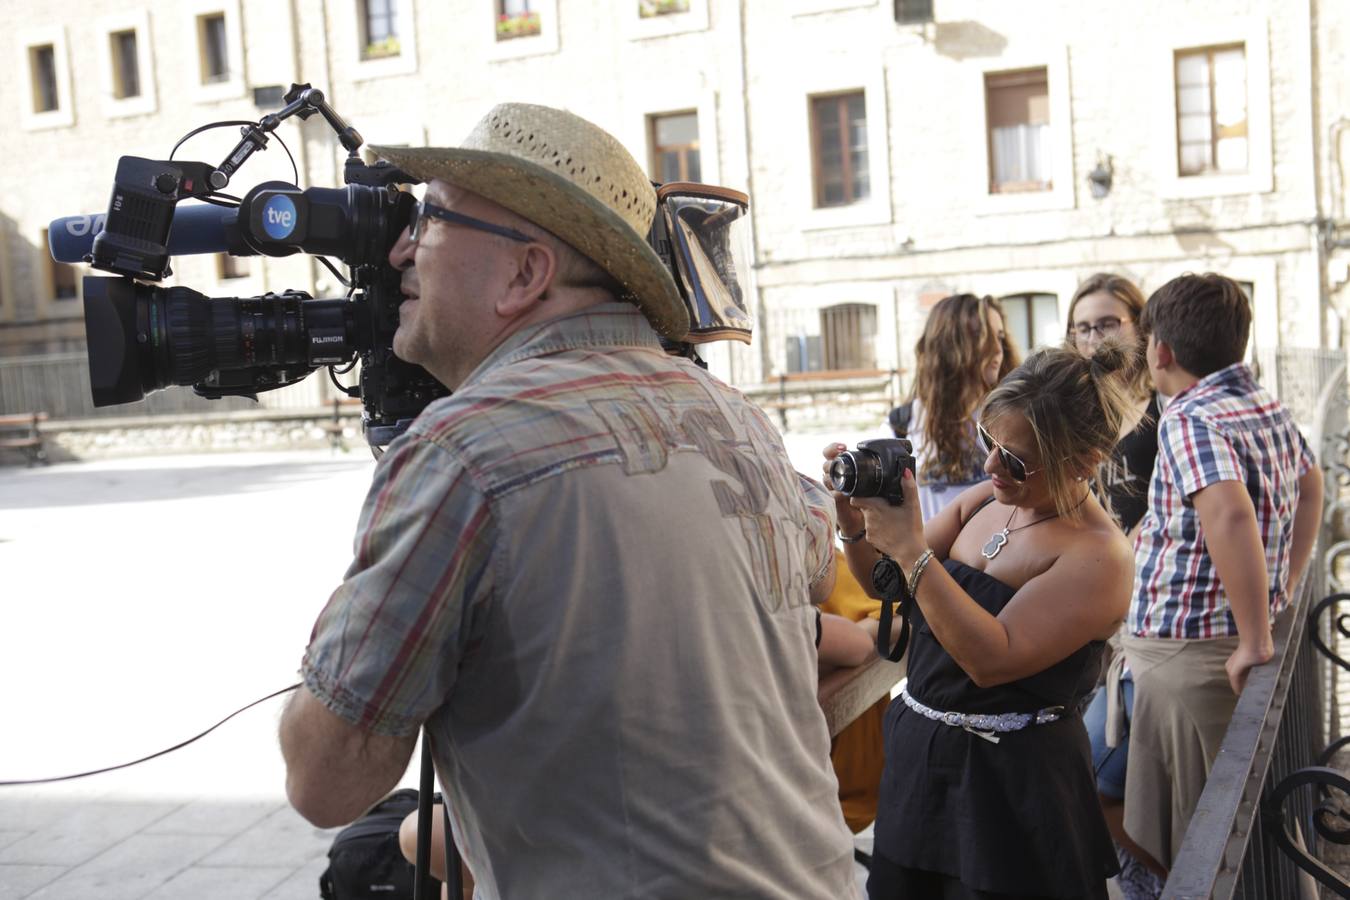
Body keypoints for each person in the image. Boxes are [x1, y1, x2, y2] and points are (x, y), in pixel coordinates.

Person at [277, 102, 861, 899]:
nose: (401, 247)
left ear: (526, 272)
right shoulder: (743, 423)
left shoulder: (464, 450)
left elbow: (325, 781)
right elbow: (811, 549)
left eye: (431, 218)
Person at [830, 343, 1140, 899]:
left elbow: (991, 658)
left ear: (1086, 461)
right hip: (922, 765)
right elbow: (891, 581)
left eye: (1016, 459)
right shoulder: (985, 500)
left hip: (1011, 790)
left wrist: (912, 551)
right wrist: (855, 524)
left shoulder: (1100, 556)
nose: (993, 465)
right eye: (988, 441)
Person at [1121, 273, 1324, 876]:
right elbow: (1311, 487)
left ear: (1161, 351)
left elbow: (1230, 512)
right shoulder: (1261, 402)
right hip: (1210, 645)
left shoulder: (1189, 417)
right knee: (1246, 831)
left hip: (1193, 657)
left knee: (1208, 843)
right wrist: (1282, 584)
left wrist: (1257, 636)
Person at [1067, 274, 1166, 895]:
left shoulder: (1165, 408)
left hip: (1147, 622)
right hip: (1085, 614)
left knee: (1116, 776)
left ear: (1138, 327)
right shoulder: (1072, 412)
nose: (1094, 337)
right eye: (1083, 327)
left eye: (1108, 323)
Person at [889, 293, 1020, 520]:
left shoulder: (1013, 418)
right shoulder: (902, 424)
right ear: (950, 343)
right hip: (929, 553)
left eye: (999, 337)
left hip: (1000, 551)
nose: (998, 349)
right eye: (983, 337)